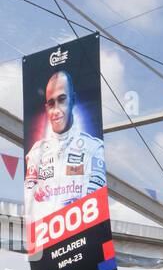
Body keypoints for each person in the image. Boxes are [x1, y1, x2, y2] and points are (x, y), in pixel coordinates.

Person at [24, 68, 106, 223]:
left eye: (61, 100)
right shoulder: (35, 153)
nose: (56, 110)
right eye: (51, 103)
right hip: (47, 238)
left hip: (81, 237)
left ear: (73, 100)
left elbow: (95, 204)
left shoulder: (94, 148)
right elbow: (30, 207)